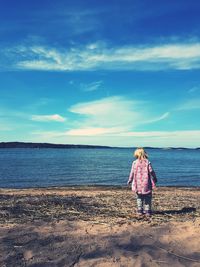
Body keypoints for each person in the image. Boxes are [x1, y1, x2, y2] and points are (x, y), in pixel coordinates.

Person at [127, 147, 157, 216]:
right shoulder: (147, 162)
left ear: (136, 154)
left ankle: (139, 211)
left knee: (139, 198)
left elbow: (132, 172)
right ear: (144, 154)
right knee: (148, 198)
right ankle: (147, 211)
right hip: (146, 184)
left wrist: (130, 180)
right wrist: (155, 178)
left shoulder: (134, 162)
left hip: (138, 184)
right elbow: (151, 171)